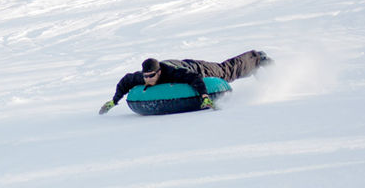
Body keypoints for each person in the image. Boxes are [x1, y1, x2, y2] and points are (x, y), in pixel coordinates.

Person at [99, 50, 273, 114]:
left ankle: (257, 58)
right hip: (179, 63)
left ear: (159, 72)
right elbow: (124, 82)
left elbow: (194, 79)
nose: (148, 79)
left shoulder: (172, 73)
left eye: (152, 76)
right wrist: (114, 101)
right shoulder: (142, 76)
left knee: (226, 72)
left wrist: (205, 96)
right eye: (146, 76)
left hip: (195, 68)